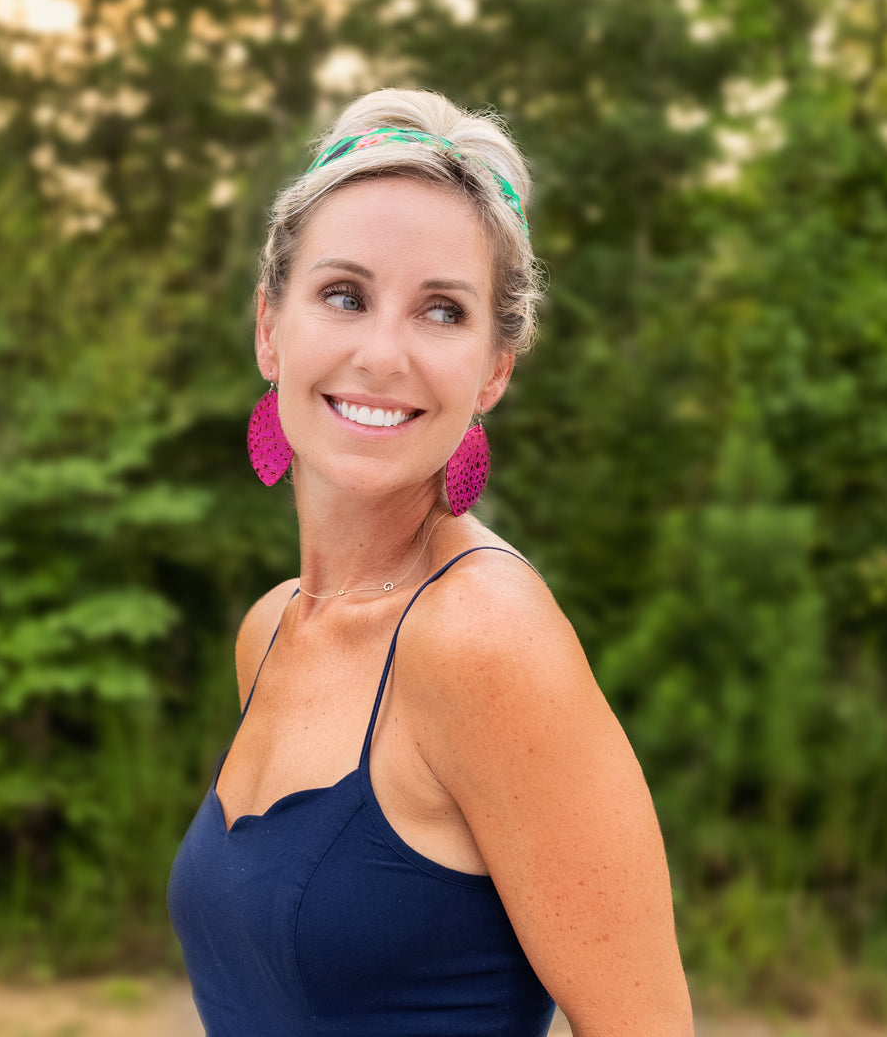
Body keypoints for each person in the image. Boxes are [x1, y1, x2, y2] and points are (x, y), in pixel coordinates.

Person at [168, 88, 693, 1037]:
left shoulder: (484, 639)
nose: (383, 353)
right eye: (344, 294)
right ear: (268, 330)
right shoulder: (273, 627)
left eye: (442, 311)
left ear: (496, 368)